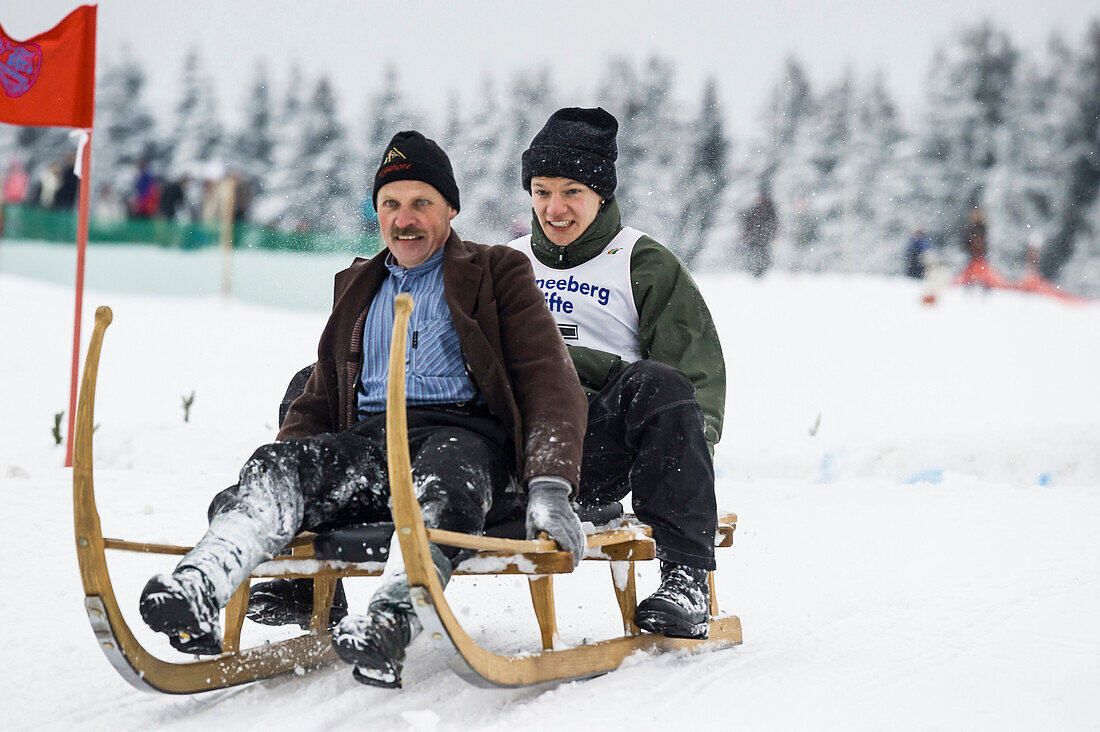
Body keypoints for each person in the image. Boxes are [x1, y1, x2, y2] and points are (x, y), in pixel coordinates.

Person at [138, 131, 588, 688]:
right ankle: (198, 586)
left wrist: (550, 485)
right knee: (275, 467)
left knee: (447, 482)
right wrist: (289, 468)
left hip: (465, 437)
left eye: (421, 203)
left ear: (450, 208)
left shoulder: (496, 273)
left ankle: (390, 618)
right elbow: (322, 397)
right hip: (373, 444)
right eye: (391, 205)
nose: (405, 220)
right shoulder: (359, 286)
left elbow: (549, 380)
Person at [507, 107, 726, 640]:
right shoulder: (504, 264)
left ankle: (685, 579)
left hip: (599, 449)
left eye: (571, 191)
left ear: (600, 193)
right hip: (512, 447)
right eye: (540, 191)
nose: (554, 208)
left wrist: (689, 459)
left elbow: (694, 385)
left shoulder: (642, 263)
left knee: (661, 385)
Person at [741, 187, 779, 277]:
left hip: (761, 237)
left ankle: (760, 271)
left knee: (762, 254)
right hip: (758, 237)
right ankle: (756, 271)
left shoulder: (768, 209)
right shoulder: (760, 209)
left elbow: (774, 222)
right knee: (756, 254)